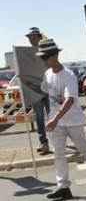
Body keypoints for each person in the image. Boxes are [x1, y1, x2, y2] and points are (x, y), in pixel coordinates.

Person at [37, 39, 86, 201]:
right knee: (59, 154)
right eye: (42, 57)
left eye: (46, 56)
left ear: (55, 55)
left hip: (72, 120)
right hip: (56, 121)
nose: (44, 60)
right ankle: (63, 187)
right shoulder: (47, 74)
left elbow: (70, 100)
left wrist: (54, 119)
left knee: (84, 148)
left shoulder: (68, 75)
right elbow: (44, 92)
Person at [26, 27, 51, 155]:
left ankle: (58, 141)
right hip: (35, 90)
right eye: (30, 37)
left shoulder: (47, 50)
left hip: (49, 88)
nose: (31, 39)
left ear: (39, 37)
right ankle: (44, 143)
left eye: (33, 36)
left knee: (53, 116)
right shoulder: (27, 54)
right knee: (40, 119)